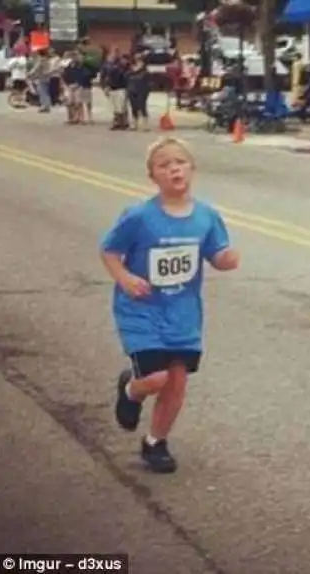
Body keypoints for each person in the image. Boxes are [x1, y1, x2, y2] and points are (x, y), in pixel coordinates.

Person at [100, 137, 240, 473]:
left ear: (192, 169)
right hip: (142, 310)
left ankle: (155, 443)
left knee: (177, 381)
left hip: (184, 313)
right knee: (156, 379)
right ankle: (132, 389)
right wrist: (125, 279)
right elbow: (109, 251)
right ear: (153, 176)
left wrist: (225, 259)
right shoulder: (139, 217)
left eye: (180, 162)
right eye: (164, 165)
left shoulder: (206, 216)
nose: (173, 168)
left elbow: (216, 253)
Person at [126, 52, 151, 131]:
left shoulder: (145, 70)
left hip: (142, 90)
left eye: (139, 59)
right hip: (132, 89)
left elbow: (144, 79)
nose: (138, 60)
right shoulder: (131, 68)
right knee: (134, 107)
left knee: (142, 106)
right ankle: (134, 124)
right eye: (136, 58)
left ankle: (145, 125)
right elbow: (127, 77)